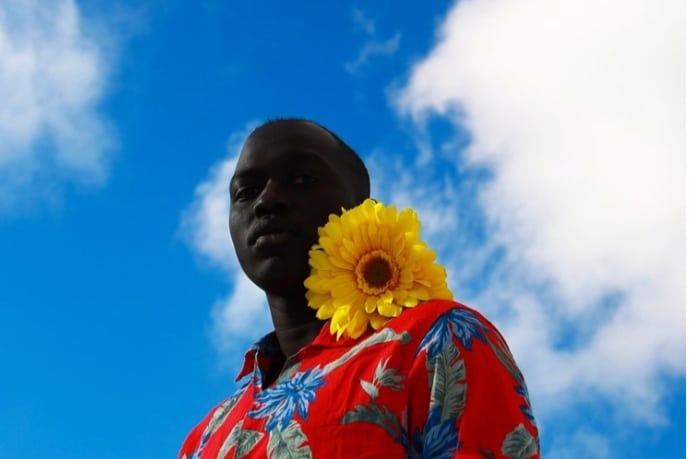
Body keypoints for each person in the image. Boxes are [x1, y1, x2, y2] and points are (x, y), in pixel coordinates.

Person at [179, 118, 539, 458]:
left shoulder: (437, 338)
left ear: (363, 211)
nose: (266, 201)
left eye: (302, 179)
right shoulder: (206, 436)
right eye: (246, 192)